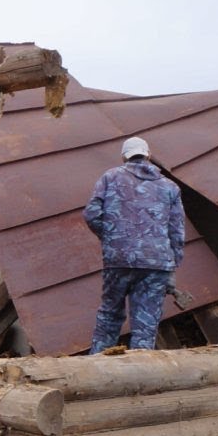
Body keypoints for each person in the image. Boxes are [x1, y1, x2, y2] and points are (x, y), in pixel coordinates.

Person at [83, 136, 185, 353]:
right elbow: (176, 231)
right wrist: (173, 263)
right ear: (148, 155)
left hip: (118, 259)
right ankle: (140, 375)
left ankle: (98, 367)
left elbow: (91, 214)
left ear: (124, 157)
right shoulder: (170, 187)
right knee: (145, 325)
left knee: (110, 315)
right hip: (157, 263)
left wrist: (112, 239)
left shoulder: (110, 177)